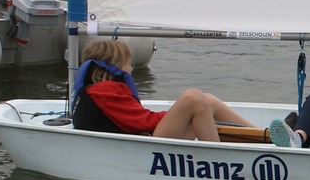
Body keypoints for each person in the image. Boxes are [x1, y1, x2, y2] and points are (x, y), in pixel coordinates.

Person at [69, 39, 250, 141]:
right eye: (127, 62)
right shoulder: (105, 91)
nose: (131, 67)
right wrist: (180, 115)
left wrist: (179, 116)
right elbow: (144, 122)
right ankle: (219, 161)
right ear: (115, 66)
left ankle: (260, 137)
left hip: (149, 141)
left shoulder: (102, 90)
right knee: (193, 99)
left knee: (206, 100)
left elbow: (137, 120)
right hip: (149, 149)